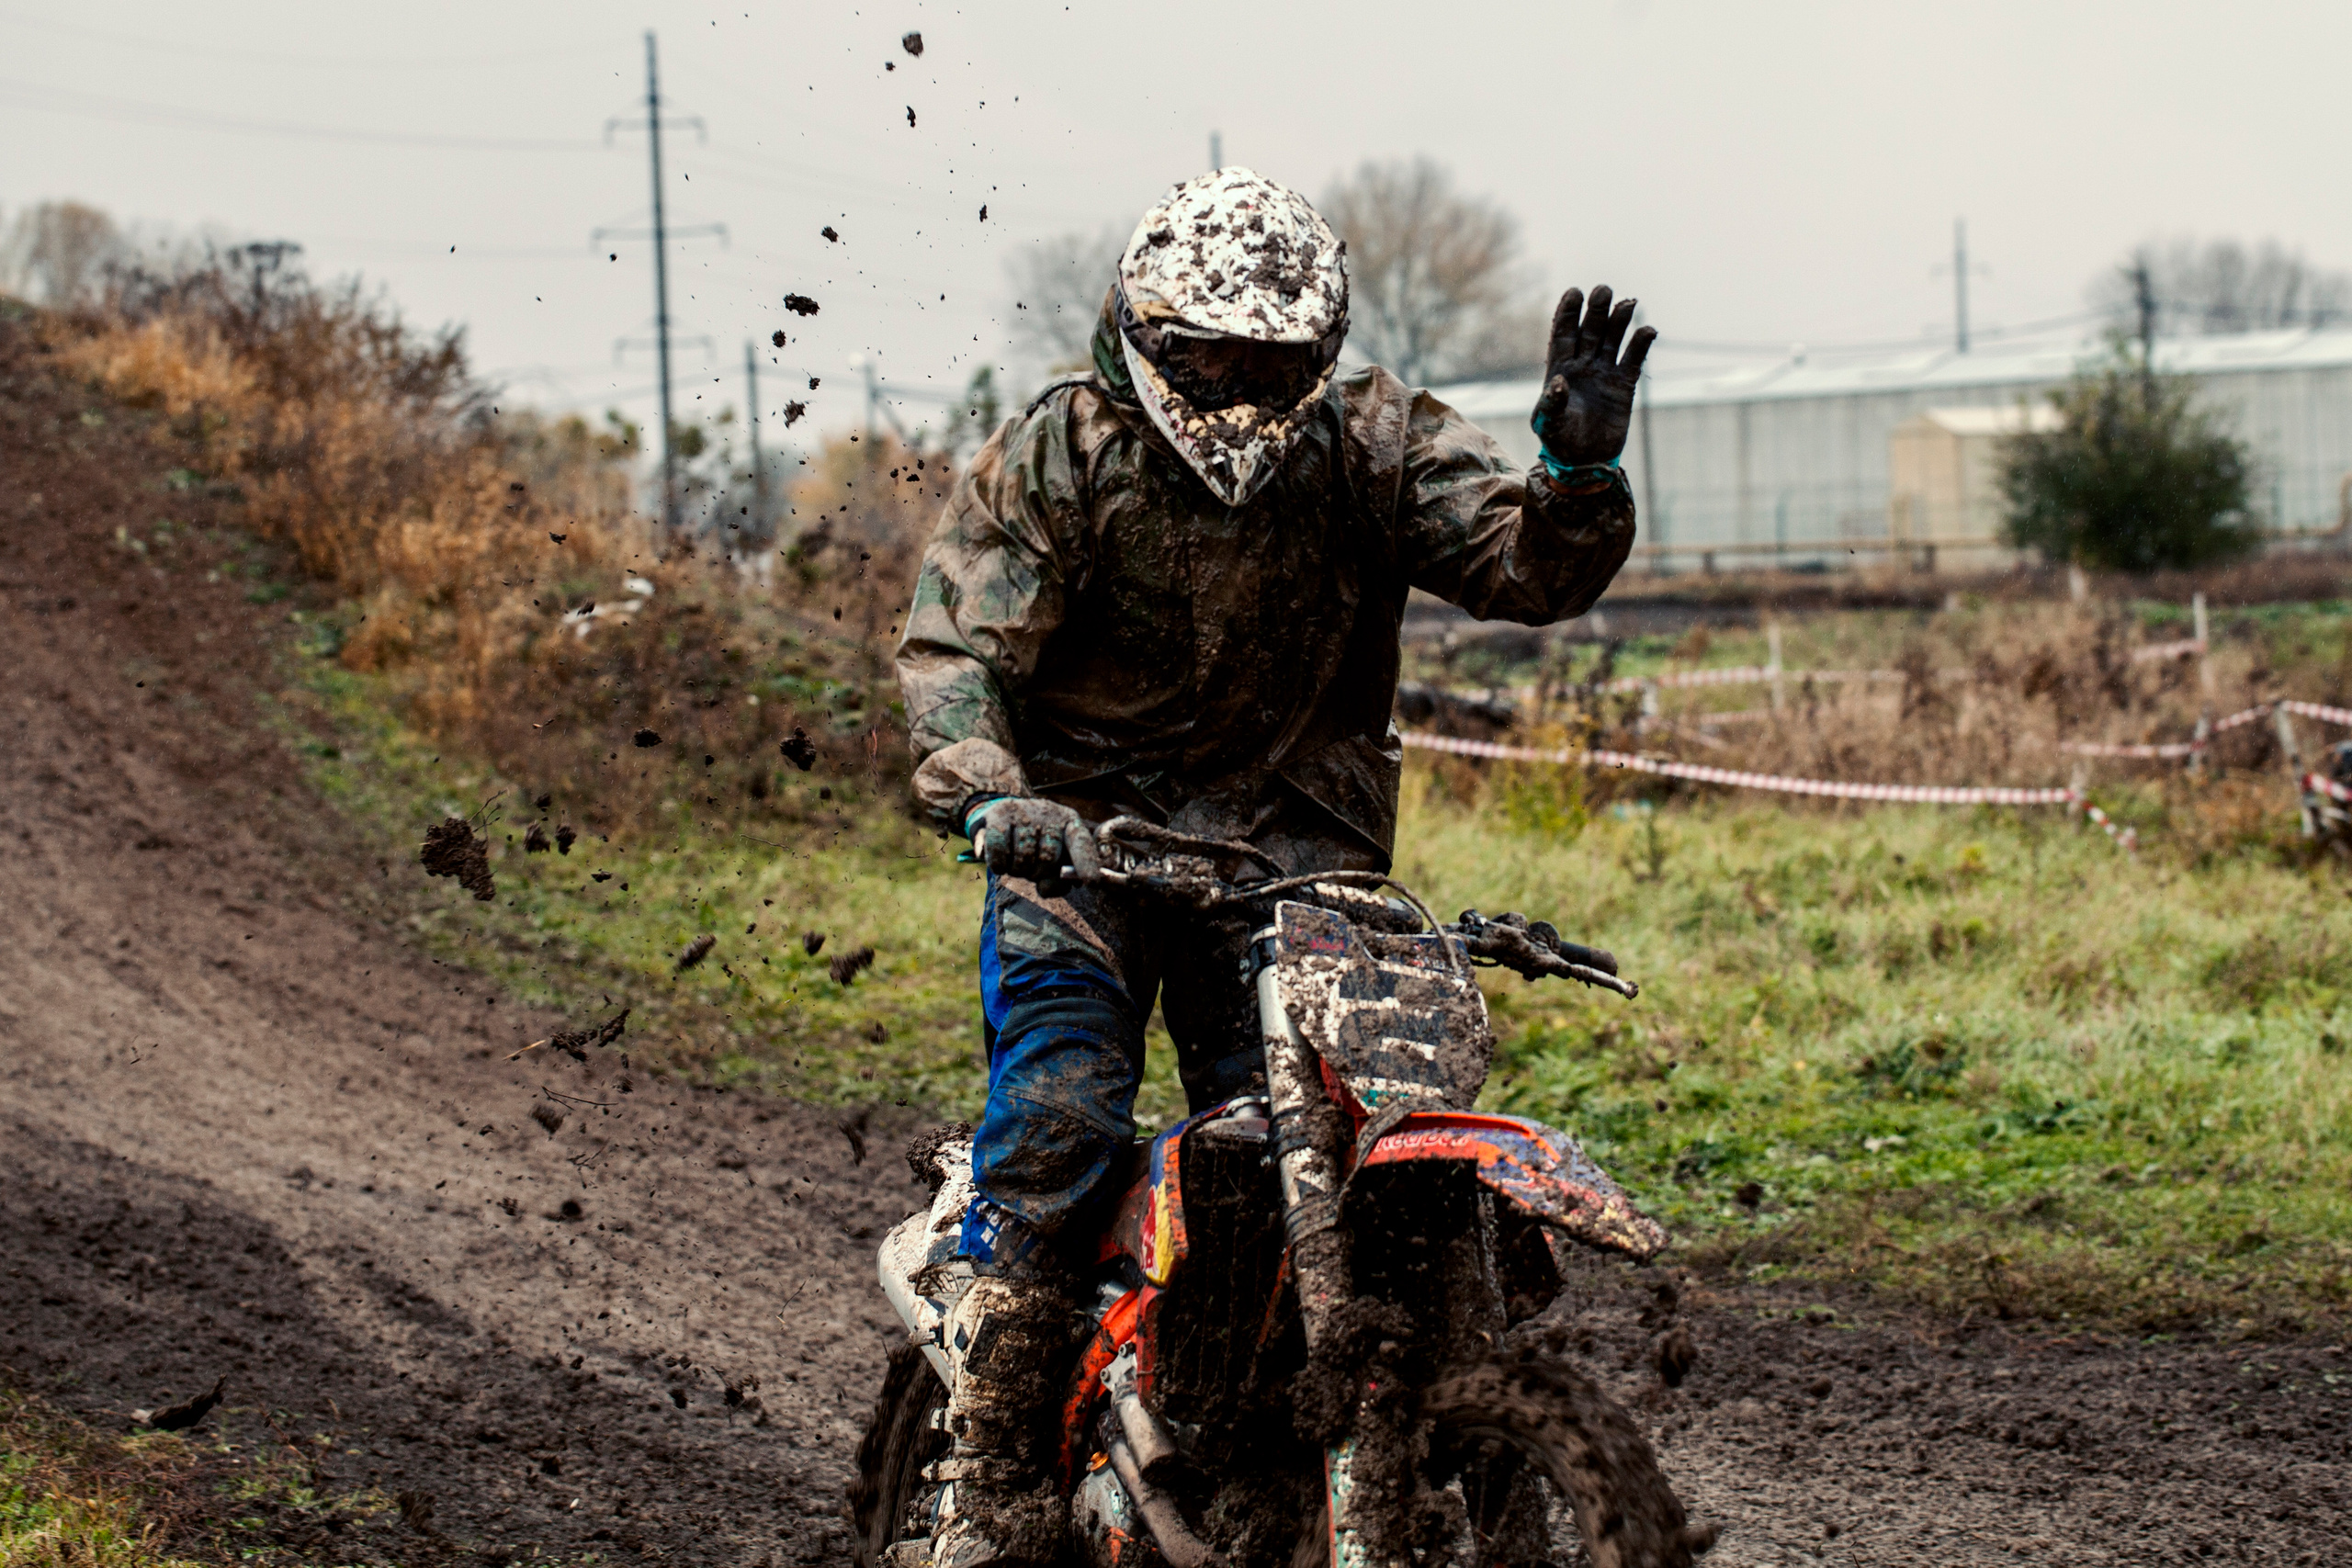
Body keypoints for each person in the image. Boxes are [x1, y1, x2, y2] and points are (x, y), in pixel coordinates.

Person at [893, 165, 1653, 1566]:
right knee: (1063, 1116)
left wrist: (1577, 478)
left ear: (1323, 351)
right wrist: (993, 795)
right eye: (1213, 361)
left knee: (1324, 1157)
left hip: (1294, 865)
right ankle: (986, 1476)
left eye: (1274, 364)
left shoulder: (1373, 441)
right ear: (1147, 333)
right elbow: (956, 654)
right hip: (1087, 848)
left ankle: (1277, 1443)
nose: (1243, 395)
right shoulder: (1062, 450)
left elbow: (1522, 566)